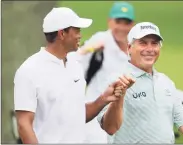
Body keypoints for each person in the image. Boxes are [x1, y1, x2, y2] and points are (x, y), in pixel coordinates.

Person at [13, 7, 134, 144]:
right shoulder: (29, 70)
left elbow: (77, 114)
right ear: (62, 34)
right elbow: (24, 125)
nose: (80, 35)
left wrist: (103, 99)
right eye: (77, 30)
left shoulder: (74, 64)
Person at [97, 22, 183, 143]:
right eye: (143, 43)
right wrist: (119, 98)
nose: (150, 49)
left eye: (154, 43)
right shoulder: (116, 80)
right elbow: (110, 128)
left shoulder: (165, 82)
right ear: (129, 48)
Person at [75, 2, 135, 143]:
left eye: (126, 23)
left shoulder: (135, 47)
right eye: (117, 22)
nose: (121, 27)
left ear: (132, 25)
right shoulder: (100, 40)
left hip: (121, 114)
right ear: (109, 22)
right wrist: (89, 49)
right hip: (94, 111)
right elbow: (74, 62)